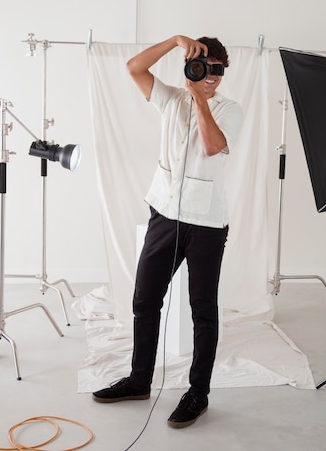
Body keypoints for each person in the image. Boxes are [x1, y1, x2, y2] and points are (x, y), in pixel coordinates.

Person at [92, 35, 242, 428]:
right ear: (191, 66)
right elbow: (134, 68)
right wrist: (176, 41)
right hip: (165, 215)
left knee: (202, 311)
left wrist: (199, 98)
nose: (211, 76)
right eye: (204, 67)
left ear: (224, 73)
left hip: (207, 224)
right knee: (144, 299)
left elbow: (211, 147)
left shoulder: (229, 110)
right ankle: (140, 380)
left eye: (218, 70)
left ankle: (198, 394)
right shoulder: (171, 99)